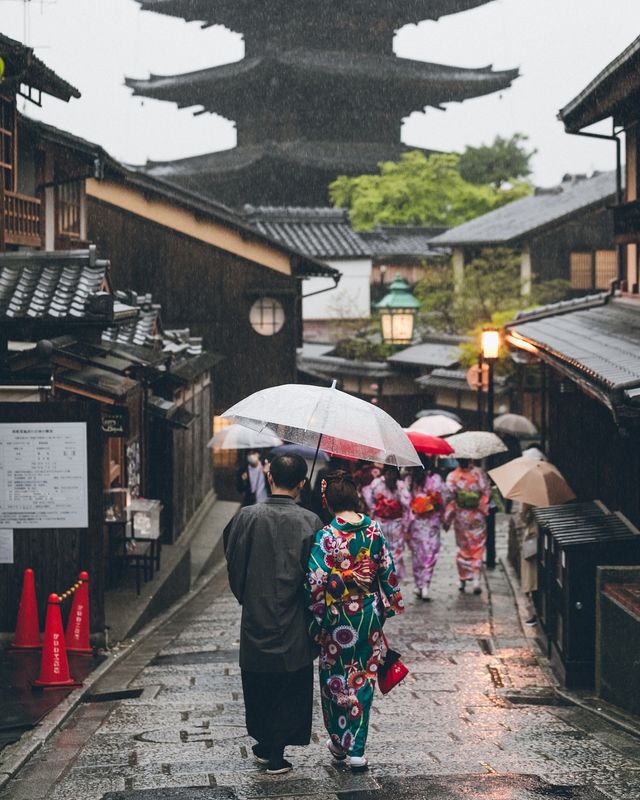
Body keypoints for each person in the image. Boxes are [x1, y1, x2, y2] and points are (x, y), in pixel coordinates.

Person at [224, 454, 322, 775]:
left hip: (256, 614)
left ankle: (265, 744)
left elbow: (234, 564)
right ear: (302, 483)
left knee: (258, 684)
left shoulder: (246, 517)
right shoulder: (311, 522)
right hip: (294, 618)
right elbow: (318, 578)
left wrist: (248, 597)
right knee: (289, 686)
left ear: (269, 477)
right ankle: (276, 752)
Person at [305, 470, 404, 772]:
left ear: (327, 501)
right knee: (363, 678)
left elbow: (316, 582)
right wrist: (388, 605)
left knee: (334, 679)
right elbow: (387, 570)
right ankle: (357, 750)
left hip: (337, 616)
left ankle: (338, 741)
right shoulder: (373, 530)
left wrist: (317, 620)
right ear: (355, 496)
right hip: (368, 613)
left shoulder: (327, 535)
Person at [444, 458, 491, 594]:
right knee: (478, 547)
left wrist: (447, 518)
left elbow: (448, 497)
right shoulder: (478, 474)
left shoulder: (452, 476)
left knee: (464, 548)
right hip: (477, 515)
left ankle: (463, 579)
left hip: (461, 517)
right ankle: (476, 579)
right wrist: (482, 507)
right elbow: (486, 492)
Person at [406, 458, 447, 601]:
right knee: (430, 553)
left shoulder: (410, 480)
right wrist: (442, 514)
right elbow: (442, 499)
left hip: (416, 521)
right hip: (431, 521)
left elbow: (407, 503)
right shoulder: (436, 479)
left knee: (417, 554)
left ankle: (419, 585)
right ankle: (424, 586)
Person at [362, 465, 410, 580]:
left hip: (396, 523)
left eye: (393, 473)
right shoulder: (377, 483)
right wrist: (377, 507)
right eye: (389, 472)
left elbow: (407, 504)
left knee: (396, 552)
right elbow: (369, 498)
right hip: (381, 522)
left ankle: (392, 576)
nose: (391, 476)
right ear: (385, 472)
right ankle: (385, 575)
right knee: (381, 550)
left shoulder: (400, 485)